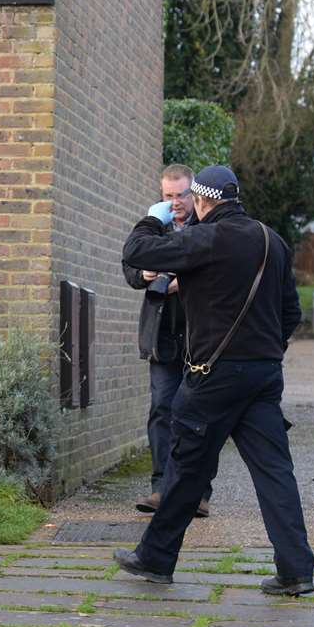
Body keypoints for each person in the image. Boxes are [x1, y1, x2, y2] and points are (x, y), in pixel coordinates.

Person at [112, 165, 314, 596]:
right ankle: (296, 570)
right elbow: (291, 312)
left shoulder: (206, 238)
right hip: (263, 377)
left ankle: (155, 558)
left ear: (203, 201)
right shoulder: (271, 241)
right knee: (275, 471)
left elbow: (137, 251)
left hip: (213, 377)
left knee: (186, 465)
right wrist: (265, 353)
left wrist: (156, 217)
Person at [122, 164, 211, 518]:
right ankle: (160, 488)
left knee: (197, 415)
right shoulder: (152, 226)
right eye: (168, 196)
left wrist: (180, 282)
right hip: (162, 336)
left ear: (194, 195)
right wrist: (144, 274)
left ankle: (198, 492)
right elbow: (130, 267)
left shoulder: (207, 229)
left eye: (181, 195)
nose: (174, 202)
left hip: (199, 339)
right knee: (162, 409)